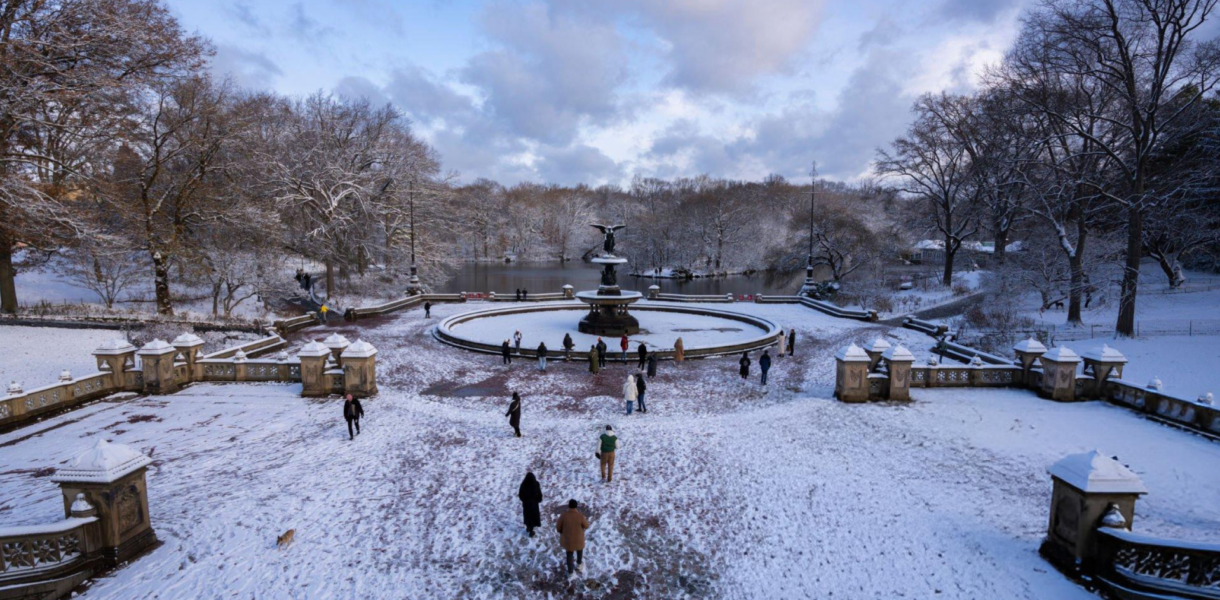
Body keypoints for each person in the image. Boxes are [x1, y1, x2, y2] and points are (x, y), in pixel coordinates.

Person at [556, 499, 590, 578]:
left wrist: (562, 532)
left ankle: (570, 572)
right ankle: (579, 564)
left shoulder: (564, 516)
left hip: (568, 540)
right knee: (579, 550)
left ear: (569, 506)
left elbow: (558, 527)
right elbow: (587, 526)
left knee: (569, 554)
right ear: (576, 506)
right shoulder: (580, 516)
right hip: (578, 539)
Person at [518, 472, 542, 537]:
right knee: (533, 516)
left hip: (526, 503)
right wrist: (539, 499)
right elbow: (539, 493)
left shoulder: (523, 484)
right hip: (534, 503)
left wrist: (524, 500)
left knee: (527, 516)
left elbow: (520, 494)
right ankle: (531, 530)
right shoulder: (536, 484)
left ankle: (528, 527)